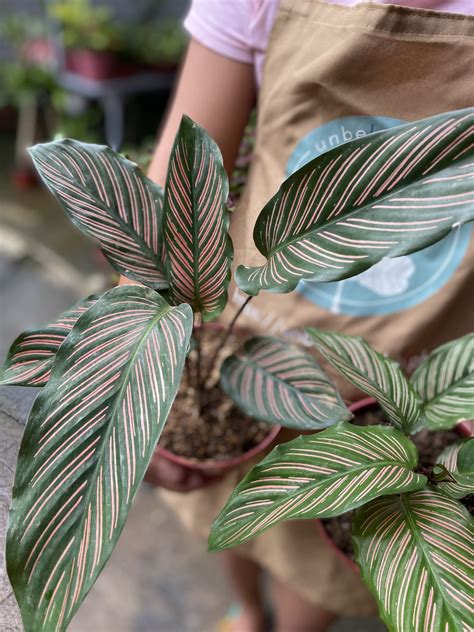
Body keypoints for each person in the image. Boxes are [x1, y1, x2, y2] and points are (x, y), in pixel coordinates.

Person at [130, 1, 474, 630]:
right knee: (227, 517)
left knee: (313, 573)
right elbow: (168, 206)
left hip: (403, 370)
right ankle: (246, 610)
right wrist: (130, 380)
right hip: (245, 337)